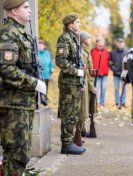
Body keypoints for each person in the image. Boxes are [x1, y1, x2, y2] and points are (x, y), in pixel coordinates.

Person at [0, 0, 47, 176]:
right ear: (13, 10)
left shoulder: (23, 33)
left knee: (23, 151)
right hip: (12, 104)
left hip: (23, 103)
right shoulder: (8, 34)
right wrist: (34, 83)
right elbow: (6, 69)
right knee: (16, 151)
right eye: (25, 7)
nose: (29, 11)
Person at [56, 13, 85, 155]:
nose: (79, 24)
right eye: (77, 22)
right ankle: (66, 143)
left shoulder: (74, 39)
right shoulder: (65, 38)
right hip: (68, 83)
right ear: (70, 24)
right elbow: (61, 61)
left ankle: (70, 140)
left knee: (73, 113)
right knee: (68, 113)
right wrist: (76, 72)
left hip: (74, 83)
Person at [75, 31, 97, 145]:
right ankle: (79, 132)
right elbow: (86, 72)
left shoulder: (86, 52)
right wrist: (91, 86)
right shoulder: (82, 53)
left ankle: (81, 131)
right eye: (88, 38)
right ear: (83, 40)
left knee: (86, 109)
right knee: (82, 110)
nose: (90, 40)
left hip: (87, 83)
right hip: (84, 83)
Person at [91, 37, 110, 107]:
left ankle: (102, 102)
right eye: (99, 44)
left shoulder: (106, 52)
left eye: (102, 44)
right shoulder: (92, 51)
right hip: (96, 74)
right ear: (96, 44)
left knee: (103, 88)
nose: (101, 46)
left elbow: (108, 61)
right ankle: (96, 101)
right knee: (96, 88)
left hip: (104, 73)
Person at [109, 38, 128, 107]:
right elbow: (110, 62)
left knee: (124, 88)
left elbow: (130, 62)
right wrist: (113, 69)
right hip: (116, 73)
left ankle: (123, 102)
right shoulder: (113, 52)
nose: (120, 44)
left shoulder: (127, 52)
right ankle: (117, 102)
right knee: (116, 88)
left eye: (121, 42)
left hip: (124, 74)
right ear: (116, 44)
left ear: (123, 43)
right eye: (118, 42)